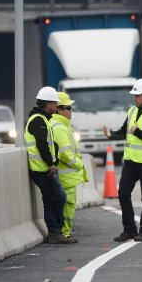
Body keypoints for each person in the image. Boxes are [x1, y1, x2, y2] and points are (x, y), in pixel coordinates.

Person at [102, 78, 142, 243]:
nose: (135, 98)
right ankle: (129, 230)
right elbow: (125, 132)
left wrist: (138, 132)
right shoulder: (131, 111)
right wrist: (111, 135)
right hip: (130, 161)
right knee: (123, 193)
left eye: (137, 95)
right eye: (134, 95)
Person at [25, 86, 75, 244]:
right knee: (59, 197)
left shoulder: (42, 119)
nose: (57, 106)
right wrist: (51, 163)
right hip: (41, 169)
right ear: (48, 104)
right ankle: (56, 230)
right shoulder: (38, 120)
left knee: (49, 198)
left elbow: (49, 143)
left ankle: (54, 233)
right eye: (55, 103)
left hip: (43, 168)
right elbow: (42, 145)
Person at [49, 92, 88, 240]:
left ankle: (64, 231)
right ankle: (65, 233)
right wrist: (78, 163)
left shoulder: (62, 125)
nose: (71, 111)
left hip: (66, 175)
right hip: (67, 176)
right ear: (59, 109)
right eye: (68, 108)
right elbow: (64, 154)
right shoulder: (59, 127)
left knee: (65, 204)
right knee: (68, 204)